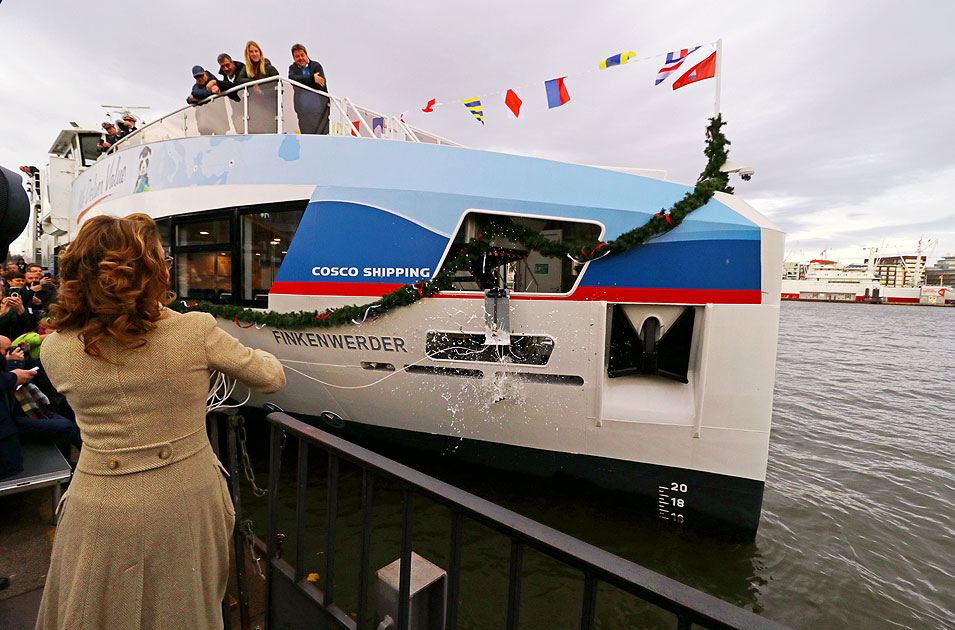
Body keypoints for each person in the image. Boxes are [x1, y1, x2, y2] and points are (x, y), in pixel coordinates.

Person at [35, 214, 286, 629]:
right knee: (182, 607)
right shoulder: (194, 330)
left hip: (97, 499)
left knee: (98, 608)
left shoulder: (55, 349)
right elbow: (272, 379)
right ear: (152, 270)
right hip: (185, 496)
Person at [235, 40, 279, 134]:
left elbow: (279, 87)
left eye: (256, 51)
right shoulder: (246, 69)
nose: (254, 54)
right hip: (253, 108)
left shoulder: (269, 68)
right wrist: (253, 83)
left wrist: (262, 92)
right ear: (248, 54)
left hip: (269, 107)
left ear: (260, 52)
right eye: (251, 52)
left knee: (269, 132)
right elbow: (239, 81)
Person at [288, 43, 330, 135]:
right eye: (297, 56)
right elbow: (292, 79)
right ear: (294, 58)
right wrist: (312, 78)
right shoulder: (293, 68)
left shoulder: (316, 66)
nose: (300, 58)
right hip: (303, 113)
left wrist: (302, 81)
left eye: (302, 55)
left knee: (321, 139)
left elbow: (320, 84)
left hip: (320, 112)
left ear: (306, 55)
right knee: (306, 140)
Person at [187, 66, 228, 135]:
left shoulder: (214, 82)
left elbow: (207, 94)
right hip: (204, 123)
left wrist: (196, 97)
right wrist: (194, 99)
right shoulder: (195, 87)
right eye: (197, 77)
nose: (200, 79)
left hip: (218, 120)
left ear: (205, 74)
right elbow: (189, 99)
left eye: (201, 76)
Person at [217, 53, 247, 132]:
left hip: (250, 110)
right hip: (237, 112)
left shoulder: (244, 71)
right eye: (223, 67)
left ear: (232, 63)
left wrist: (218, 84)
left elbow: (237, 86)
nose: (226, 68)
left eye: (227, 65)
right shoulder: (225, 77)